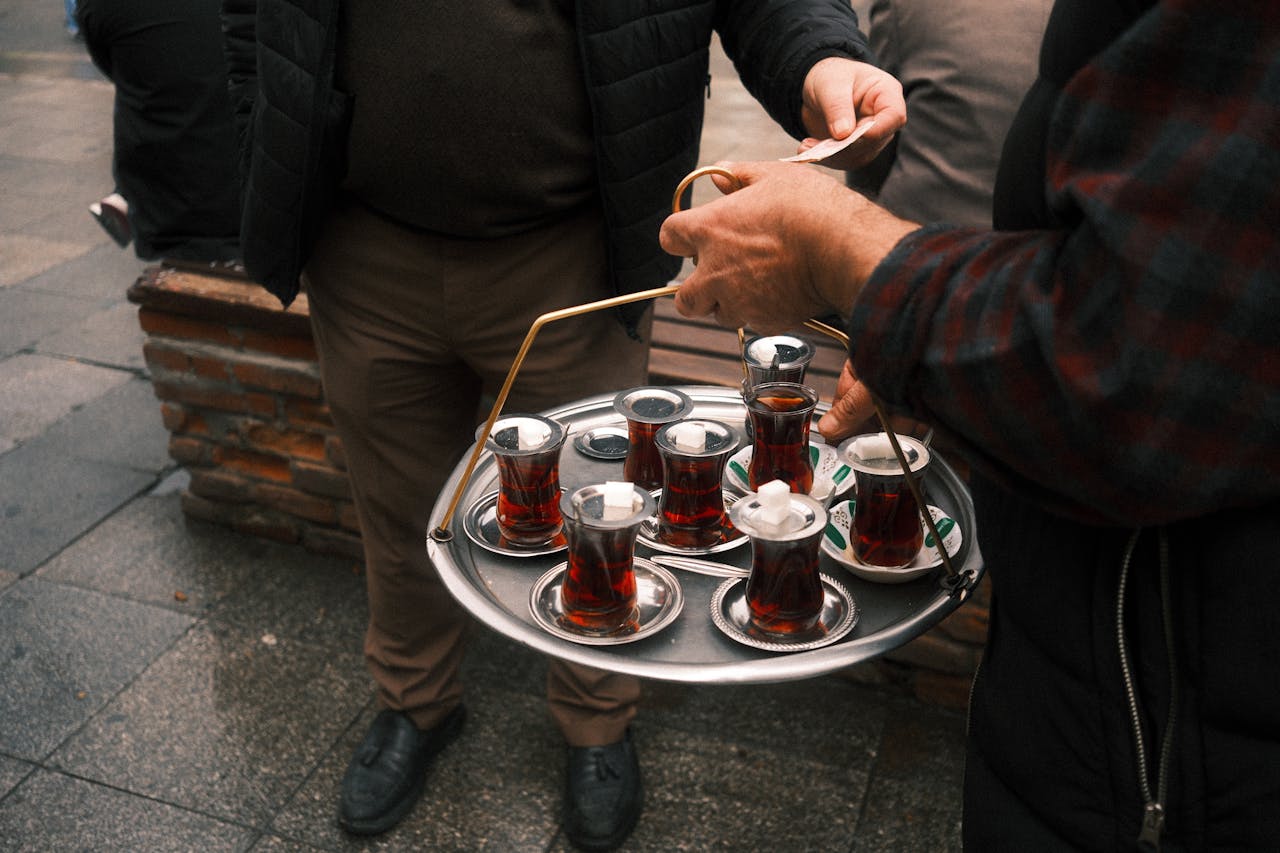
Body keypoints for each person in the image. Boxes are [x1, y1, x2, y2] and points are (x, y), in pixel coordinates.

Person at [219, 2, 905, 849]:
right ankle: (415, 701)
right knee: (399, 509)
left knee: (601, 511)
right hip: (365, 247)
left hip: (572, 258)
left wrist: (820, 60)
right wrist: (261, 128)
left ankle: (597, 725)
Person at [660, 1, 1280, 850]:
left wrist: (841, 254)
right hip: (1096, 664)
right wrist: (939, 336)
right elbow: (1135, 256)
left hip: (1183, 743)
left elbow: (1132, 360)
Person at [846, 0, 1052, 226]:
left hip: (918, 237)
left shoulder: (908, 6)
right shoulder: (1091, 25)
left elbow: (869, 149)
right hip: (1055, 246)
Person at [77, 0, 241, 264]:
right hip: (278, 202)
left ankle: (125, 193)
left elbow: (110, 65)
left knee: (142, 78)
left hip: (170, 209)